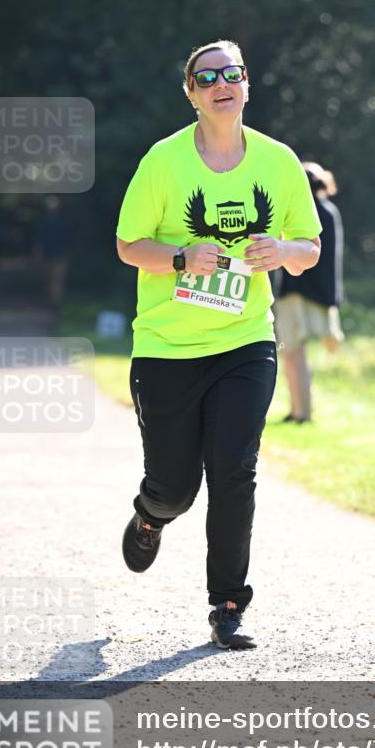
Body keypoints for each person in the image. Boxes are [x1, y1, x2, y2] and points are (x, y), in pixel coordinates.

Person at [115, 39, 322, 650]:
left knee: (234, 470)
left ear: (247, 84)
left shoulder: (279, 162)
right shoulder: (164, 161)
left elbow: (308, 248)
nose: (221, 84)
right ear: (192, 93)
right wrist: (180, 256)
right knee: (177, 485)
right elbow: (129, 244)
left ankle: (228, 603)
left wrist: (281, 252)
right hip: (167, 347)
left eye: (231, 73)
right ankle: (152, 513)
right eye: (207, 78)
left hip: (244, 340)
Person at [273, 162, 344, 422]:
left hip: (294, 292)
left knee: (292, 354)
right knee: (300, 353)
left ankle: (300, 412)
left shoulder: (299, 212)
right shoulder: (330, 211)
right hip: (321, 293)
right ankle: (302, 411)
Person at [33, 195, 71, 309]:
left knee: (55, 281)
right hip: (51, 255)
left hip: (54, 256)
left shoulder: (49, 223)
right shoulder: (57, 223)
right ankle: (53, 303)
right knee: (54, 281)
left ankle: (54, 304)